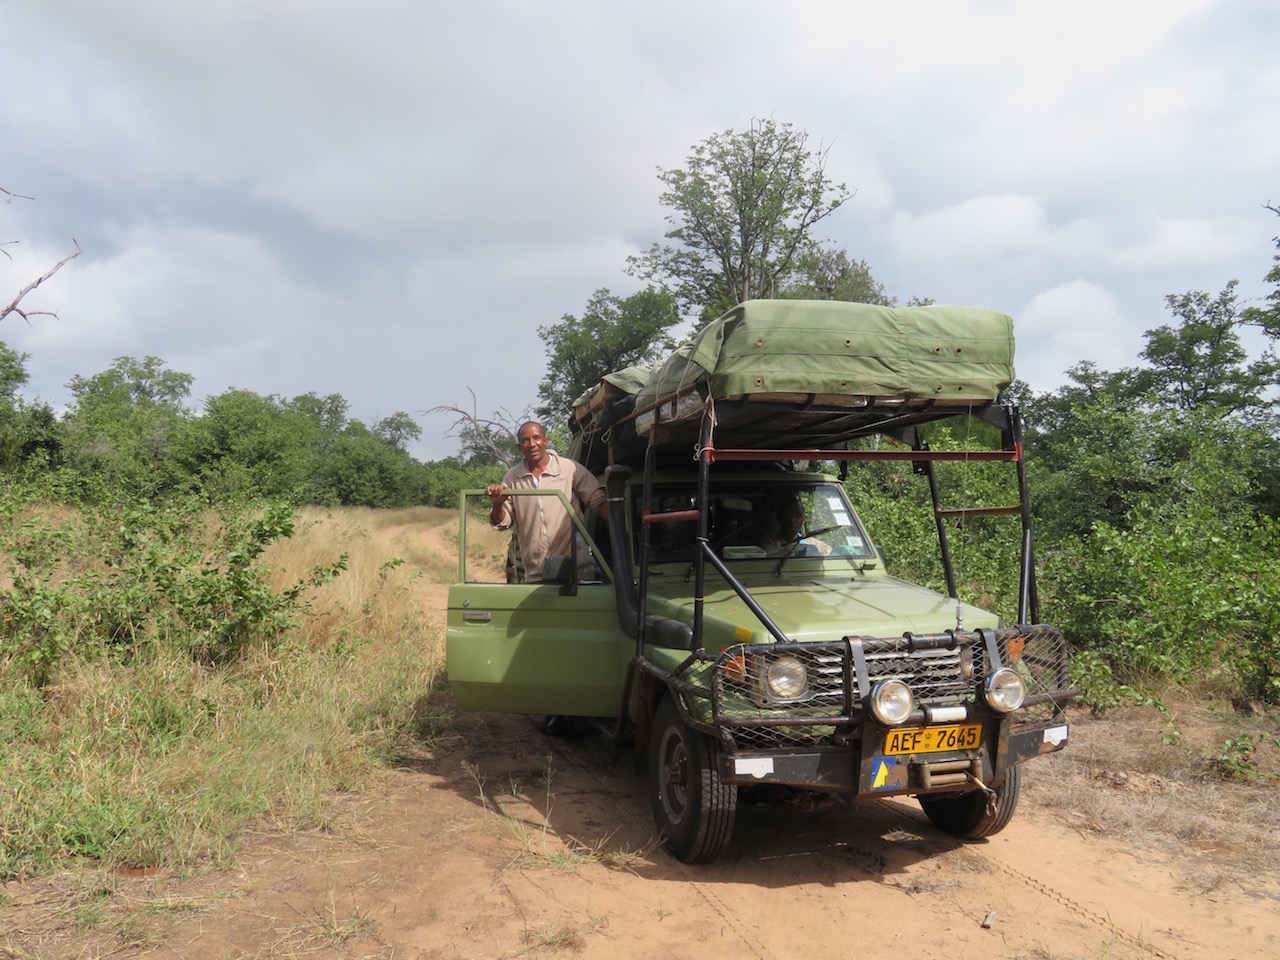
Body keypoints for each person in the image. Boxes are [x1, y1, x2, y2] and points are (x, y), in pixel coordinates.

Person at [487, 421, 609, 583]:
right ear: (519, 447)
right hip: (535, 571)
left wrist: (623, 528)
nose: (532, 444)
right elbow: (503, 522)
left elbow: (597, 500)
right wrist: (497, 504)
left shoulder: (569, 468)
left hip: (574, 569)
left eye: (536, 438)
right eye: (525, 440)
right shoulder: (513, 477)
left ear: (546, 441)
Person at [761, 494, 831, 558]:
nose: (792, 520)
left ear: (803, 520)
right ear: (779, 518)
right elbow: (769, 559)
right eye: (787, 515)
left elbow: (829, 552)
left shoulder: (809, 542)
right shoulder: (770, 542)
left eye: (797, 515)